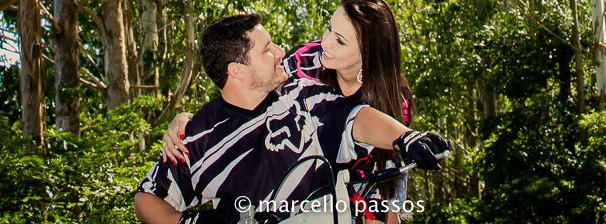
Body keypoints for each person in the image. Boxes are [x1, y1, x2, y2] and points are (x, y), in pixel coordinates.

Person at [135, 12, 448, 224]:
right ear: (237, 71)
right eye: (267, 50)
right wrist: (185, 221)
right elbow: (148, 197)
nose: (280, 51)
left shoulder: (301, 94)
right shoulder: (198, 137)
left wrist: (405, 137)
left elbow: (358, 120)